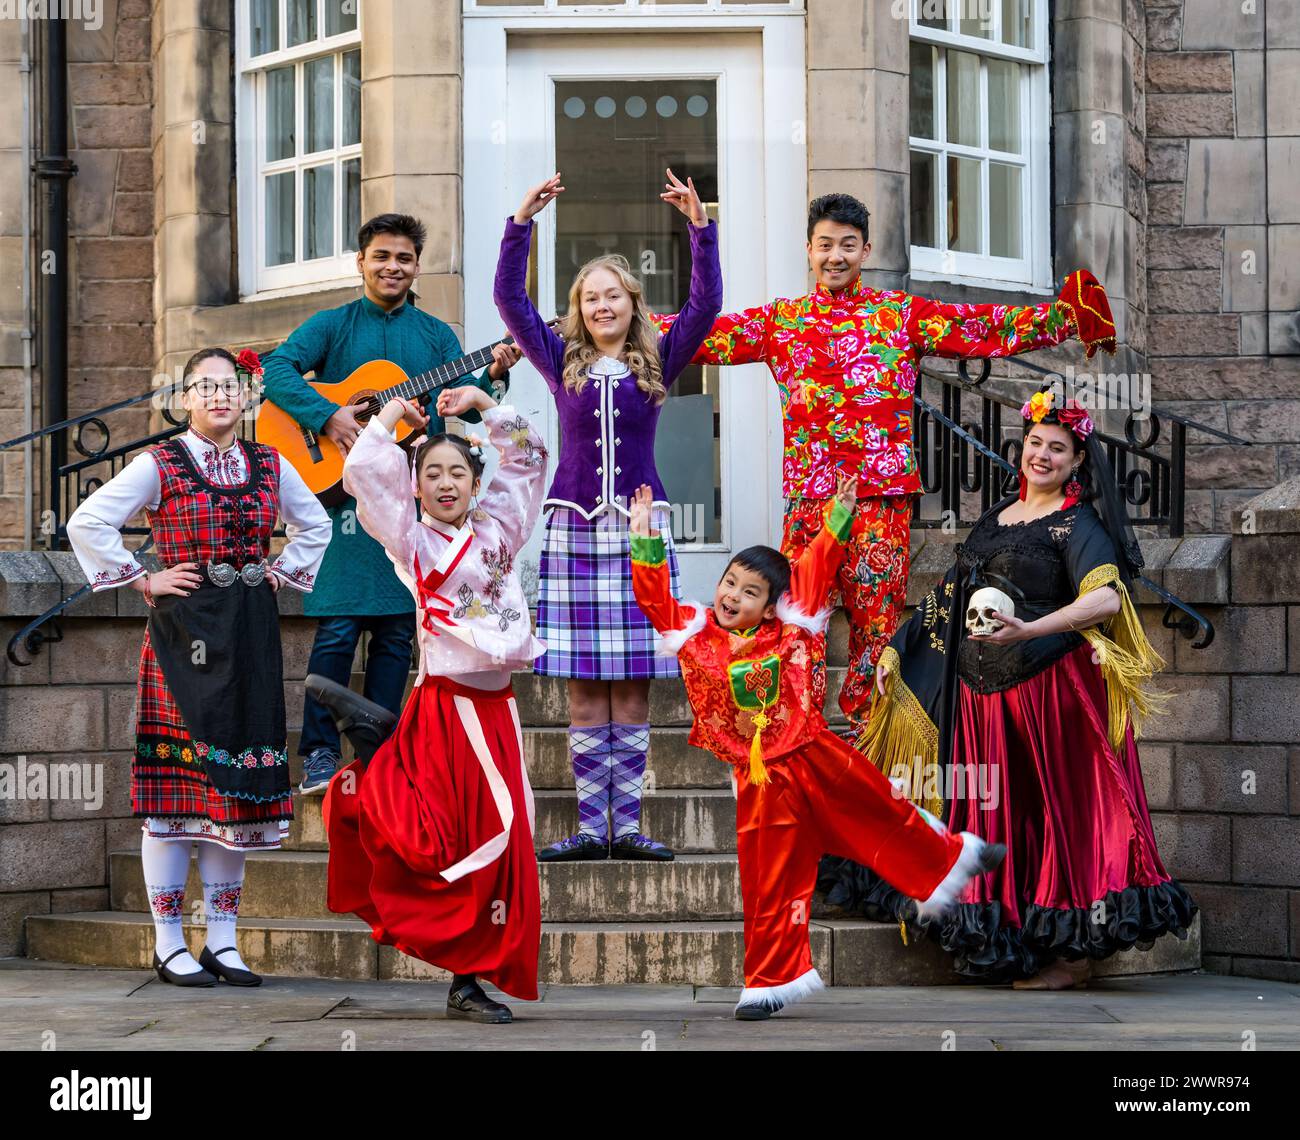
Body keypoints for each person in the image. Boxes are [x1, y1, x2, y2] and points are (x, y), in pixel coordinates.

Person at [655, 193, 1119, 735]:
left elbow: (979, 327)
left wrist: (1065, 317)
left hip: (881, 501)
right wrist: (593, 327)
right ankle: (790, 735)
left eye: (847, 246)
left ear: (865, 250)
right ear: (809, 250)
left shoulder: (897, 314)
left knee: (875, 631)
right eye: (825, 245)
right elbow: (694, 335)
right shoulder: (781, 322)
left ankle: (867, 748)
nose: (835, 256)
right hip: (811, 502)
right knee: (792, 620)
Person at [824, 385, 1197, 989]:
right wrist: (897, 646)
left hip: (1052, 692)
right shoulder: (997, 517)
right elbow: (952, 592)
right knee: (1001, 814)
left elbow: (1105, 597)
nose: (1041, 455)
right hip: (983, 696)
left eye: (1057, 448)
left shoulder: (1078, 523)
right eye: (1034, 443)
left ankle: (1072, 960)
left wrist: (1031, 628)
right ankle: (1013, 939)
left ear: (1077, 462)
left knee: (1060, 816)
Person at [627, 480, 1005, 1019]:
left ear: (773, 604)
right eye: (729, 583)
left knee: (882, 808)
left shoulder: (793, 632)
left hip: (815, 753)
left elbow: (816, 569)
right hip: (763, 782)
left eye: (750, 591)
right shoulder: (696, 635)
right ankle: (768, 982)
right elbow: (654, 600)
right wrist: (645, 540)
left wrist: (839, 516)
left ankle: (953, 857)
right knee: (768, 878)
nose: (732, 596)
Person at [65, 348, 330, 987]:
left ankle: (222, 941)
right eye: (204, 386)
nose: (219, 395)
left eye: (229, 384)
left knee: (230, 793)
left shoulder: (269, 462)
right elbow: (88, 519)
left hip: (248, 632)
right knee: (179, 791)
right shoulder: (161, 462)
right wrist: (143, 579)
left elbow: (316, 524)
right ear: (185, 398)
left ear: (246, 396)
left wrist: (278, 574)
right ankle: (166, 941)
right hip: (184, 633)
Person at [493, 170, 722, 862]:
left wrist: (700, 228)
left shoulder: (662, 354)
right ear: (578, 308)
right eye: (590, 297)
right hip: (573, 531)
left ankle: (632, 827)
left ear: (632, 303)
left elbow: (707, 303)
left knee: (634, 687)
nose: (601, 306)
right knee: (586, 690)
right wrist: (520, 222)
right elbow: (509, 299)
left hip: (642, 533)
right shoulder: (557, 356)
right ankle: (593, 827)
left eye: (613, 296)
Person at [262, 213, 520, 795]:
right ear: (361, 262)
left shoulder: (435, 337)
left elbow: (463, 409)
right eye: (381, 256)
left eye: (403, 258)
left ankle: (377, 756)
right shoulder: (331, 325)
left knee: (397, 636)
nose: (392, 267)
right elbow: (275, 369)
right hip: (342, 506)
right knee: (336, 631)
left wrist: (494, 380)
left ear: (416, 267)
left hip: (406, 508)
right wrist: (327, 415)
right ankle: (321, 755)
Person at [322, 383, 548, 1023]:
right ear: (415, 486)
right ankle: (466, 978)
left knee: (507, 841)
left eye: (457, 473)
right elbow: (364, 469)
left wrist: (483, 403)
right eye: (432, 474)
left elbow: (530, 455)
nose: (446, 484)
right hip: (445, 709)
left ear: (476, 485)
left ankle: (471, 976)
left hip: (497, 710)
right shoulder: (411, 541)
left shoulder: (501, 530)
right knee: (451, 840)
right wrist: (394, 413)